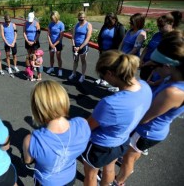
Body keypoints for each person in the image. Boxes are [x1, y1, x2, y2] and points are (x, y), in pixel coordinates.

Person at [115, 30, 184, 186]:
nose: (154, 68)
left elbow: (146, 117)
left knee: (128, 158)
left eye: (157, 65)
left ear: (169, 65)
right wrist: (152, 84)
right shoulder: (172, 77)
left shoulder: (173, 92)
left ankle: (119, 181)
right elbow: (159, 83)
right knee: (134, 153)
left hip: (147, 130)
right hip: (152, 129)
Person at [82, 50, 152, 186]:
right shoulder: (145, 87)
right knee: (109, 167)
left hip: (101, 145)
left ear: (109, 73)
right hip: (122, 141)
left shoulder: (110, 103)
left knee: (91, 174)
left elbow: (87, 127)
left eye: (103, 76)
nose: (104, 79)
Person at [23, 80, 91, 186]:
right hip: (70, 177)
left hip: (46, 182)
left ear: (37, 109)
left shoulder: (32, 140)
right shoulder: (82, 124)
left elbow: (28, 161)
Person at [140, 12, 181, 82]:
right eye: (158, 25)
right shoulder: (157, 35)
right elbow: (147, 48)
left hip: (158, 72)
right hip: (146, 67)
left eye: (162, 26)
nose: (159, 28)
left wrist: (149, 63)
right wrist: (140, 60)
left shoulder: (174, 39)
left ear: (171, 23)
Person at [95, 13, 125, 87]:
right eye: (107, 20)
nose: (108, 22)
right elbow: (100, 37)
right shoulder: (105, 25)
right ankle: (102, 78)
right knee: (102, 65)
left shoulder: (119, 27)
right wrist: (100, 47)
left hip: (112, 51)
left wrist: (111, 51)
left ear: (115, 19)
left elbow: (120, 40)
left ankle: (107, 80)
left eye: (110, 21)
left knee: (109, 67)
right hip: (103, 49)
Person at [69, 11, 92, 83]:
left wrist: (80, 47)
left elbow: (88, 38)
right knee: (75, 60)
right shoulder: (76, 25)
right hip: (75, 45)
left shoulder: (88, 25)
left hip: (83, 46)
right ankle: (74, 73)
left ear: (85, 17)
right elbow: (73, 36)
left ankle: (83, 75)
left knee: (83, 61)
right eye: (80, 18)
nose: (81, 19)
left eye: (82, 18)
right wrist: (73, 45)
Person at [46, 11, 65, 76]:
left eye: (54, 19)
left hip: (58, 43)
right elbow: (48, 34)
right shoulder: (50, 24)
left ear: (57, 17)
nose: (53, 20)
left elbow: (61, 36)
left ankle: (60, 69)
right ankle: (51, 67)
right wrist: (51, 43)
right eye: (52, 19)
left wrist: (54, 44)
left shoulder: (61, 24)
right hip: (51, 42)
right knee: (51, 56)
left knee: (58, 57)